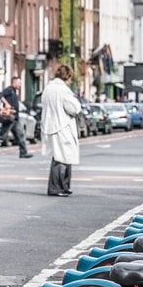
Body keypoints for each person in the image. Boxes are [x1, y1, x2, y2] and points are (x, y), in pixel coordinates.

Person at [39, 65, 83, 197]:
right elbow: (74, 108)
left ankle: (62, 187)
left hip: (49, 125)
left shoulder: (48, 88)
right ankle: (58, 187)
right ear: (67, 76)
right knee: (63, 158)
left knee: (58, 157)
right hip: (62, 126)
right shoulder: (63, 90)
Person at [0, 76, 32, 158]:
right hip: (10, 118)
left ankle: (23, 152)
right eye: (18, 83)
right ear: (14, 83)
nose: (20, 85)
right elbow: (0, 94)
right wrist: (6, 103)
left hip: (15, 118)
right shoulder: (9, 90)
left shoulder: (14, 91)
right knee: (2, 135)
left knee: (20, 135)